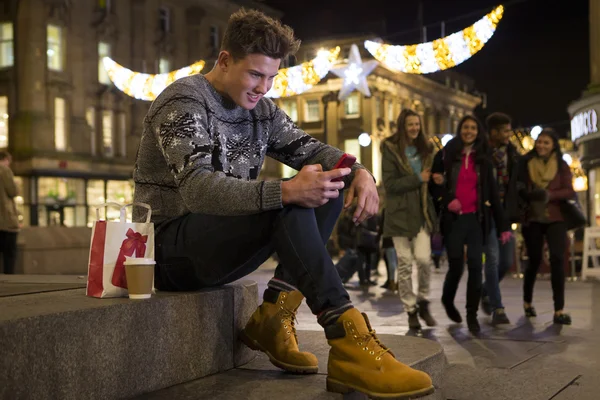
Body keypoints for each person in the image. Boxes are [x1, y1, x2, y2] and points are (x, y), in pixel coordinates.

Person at [132, 9, 433, 398]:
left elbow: (314, 150)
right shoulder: (184, 101)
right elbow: (198, 190)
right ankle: (346, 338)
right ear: (224, 61)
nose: (264, 87)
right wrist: (286, 191)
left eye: (272, 77)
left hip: (218, 246)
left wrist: (359, 171)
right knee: (290, 195)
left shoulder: (262, 110)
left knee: (328, 181)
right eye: (255, 74)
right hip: (164, 252)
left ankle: (274, 316)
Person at [431, 115, 510, 334]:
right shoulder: (446, 153)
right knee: (456, 266)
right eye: (465, 127)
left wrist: (503, 225)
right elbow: (434, 185)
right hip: (454, 220)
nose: (469, 131)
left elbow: (493, 194)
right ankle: (448, 300)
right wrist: (448, 201)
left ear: (478, 131)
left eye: (473, 128)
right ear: (460, 129)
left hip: (476, 219)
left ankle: (471, 315)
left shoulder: (484, 159)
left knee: (476, 266)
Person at [381, 109, 437, 331]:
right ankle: (410, 310)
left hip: (421, 213)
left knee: (424, 260)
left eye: (417, 124)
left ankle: (423, 300)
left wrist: (435, 179)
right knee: (404, 264)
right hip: (399, 215)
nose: (414, 128)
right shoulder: (391, 149)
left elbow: (429, 182)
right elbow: (390, 184)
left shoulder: (427, 150)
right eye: (410, 125)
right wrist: (418, 179)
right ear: (402, 127)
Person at [517, 128, 574, 325]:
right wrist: (529, 194)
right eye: (539, 141)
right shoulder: (526, 163)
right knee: (534, 260)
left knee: (557, 258)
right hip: (533, 217)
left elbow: (569, 190)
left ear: (553, 146)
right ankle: (527, 302)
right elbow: (519, 187)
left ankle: (559, 310)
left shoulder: (561, 164)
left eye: (546, 142)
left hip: (556, 217)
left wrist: (550, 195)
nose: (541, 145)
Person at [481, 112, 521, 325]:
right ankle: (498, 307)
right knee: (493, 259)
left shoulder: (513, 154)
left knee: (506, 261)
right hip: (488, 214)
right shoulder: (482, 154)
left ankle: (485, 290)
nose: (508, 134)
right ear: (494, 132)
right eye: (505, 130)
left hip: (506, 215)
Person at [0, 151, 19, 274]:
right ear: (5, 159)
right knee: (9, 255)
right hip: (5, 221)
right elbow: (13, 191)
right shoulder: (4, 171)